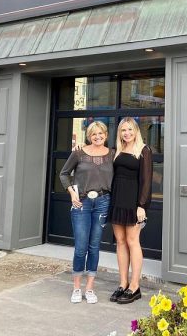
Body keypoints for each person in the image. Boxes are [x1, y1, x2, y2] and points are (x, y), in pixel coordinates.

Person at [59, 121, 114, 304]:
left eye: (100, 133)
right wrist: (72, 192)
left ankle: (90, 288)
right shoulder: (79, 153)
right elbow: (64, 173)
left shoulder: (112, 154)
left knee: (94, 246)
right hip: (81, 202)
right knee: (81, 246)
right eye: (93, 134)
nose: (97, 137)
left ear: (106, 134)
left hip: (103, 202)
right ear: (88, 136)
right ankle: (76, 287)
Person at [108, 117, 153, 304]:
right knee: (120, 242)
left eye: (129, 130)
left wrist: (142, 205)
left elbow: (147, 181)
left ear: (136, 131)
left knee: (133, 241)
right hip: (117, 200)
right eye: (123, 130)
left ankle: (135, 286)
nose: (126, 133)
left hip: (133, 203)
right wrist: (79, 148)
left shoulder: (144, 150)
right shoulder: (116, 150)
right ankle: (123, 283)